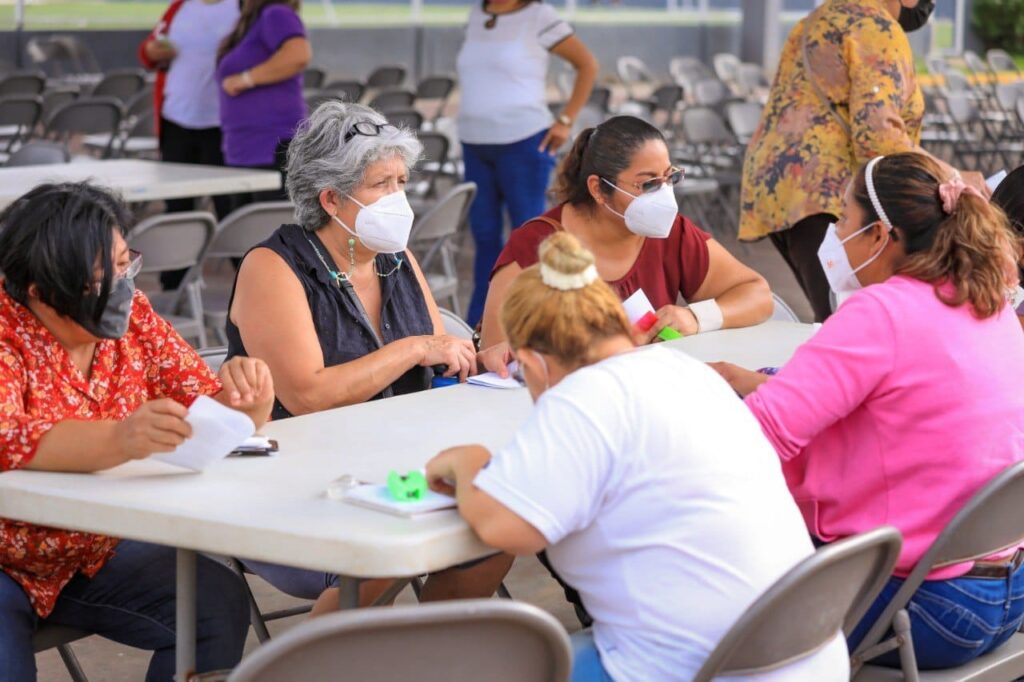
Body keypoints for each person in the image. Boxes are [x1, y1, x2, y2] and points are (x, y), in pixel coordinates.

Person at [426, 231, 849, 681]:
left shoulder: (580, 398)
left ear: (529, 362)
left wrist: (467, 461)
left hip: (704, 669)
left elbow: (505, 528)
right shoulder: (688, 372)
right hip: (808, 655)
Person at [714, 152, 1024, 669]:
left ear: (880, 235)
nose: (836, 233)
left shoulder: (880, 312)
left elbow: (757, 439)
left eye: (843, 217)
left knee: (703, 595)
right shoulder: (989, 303)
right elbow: (905, 401)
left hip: (923, 611)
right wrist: (771, 382)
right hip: (1006, 595)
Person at [227, 101, 509, 613]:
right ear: (332, 199)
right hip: (293, 484)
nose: (399, 198)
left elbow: (437, 360)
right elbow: (308, 396)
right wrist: (415, 348)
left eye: (402, 182)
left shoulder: (395, 257)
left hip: (392, 464)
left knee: (500, 522)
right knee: (386, 549)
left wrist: (481, 360)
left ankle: (436, 645)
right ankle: (327, 651)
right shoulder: (272, 267)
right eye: (382, 184)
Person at [0, 183, 275, 681]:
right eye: (100, 279)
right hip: (7, 557)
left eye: (126, 265)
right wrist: (119, 440)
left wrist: (246, 404)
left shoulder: (135, 318)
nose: (122, 286)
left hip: (90, 546)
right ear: (40, 291)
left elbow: (202, 403)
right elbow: (7, 435)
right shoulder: (6, 332)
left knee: (214, 606)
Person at [739, 0, 987, 323]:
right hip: (827, 195)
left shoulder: (818, 19)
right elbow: (878, 136)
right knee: (852, 322)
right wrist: (953, 176)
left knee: (835, 315)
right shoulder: (878, 28)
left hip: (779, 188)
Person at [478, 115, 772, 373]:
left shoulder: (670, 233)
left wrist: (696, 317)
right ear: (598, 189)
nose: (664, 194)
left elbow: (757, 294)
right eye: (648, 184)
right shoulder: (535, 246)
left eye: (669, 177)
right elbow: (493, 358)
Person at [456, 0, 598, 325]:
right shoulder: (477, 15)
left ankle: (538, 322)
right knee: (485, 238)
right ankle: (482, 325)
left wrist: (565, 119)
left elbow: (588, 65)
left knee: (531, 239)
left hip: (523, 142)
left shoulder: (540, 16)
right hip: (474, 143)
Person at [139, 0, 241, 290]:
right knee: (177, 206)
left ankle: (251, 281)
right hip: (176, 120)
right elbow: (149, 49)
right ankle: (174, 285)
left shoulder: (242, 8)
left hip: (222, 124)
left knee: (230, 206)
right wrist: (151, 52)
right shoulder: (180, 7)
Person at [216, 0, 311, 209]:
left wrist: (246, 79)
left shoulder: (276, 13)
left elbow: (298, 54)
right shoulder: (253, 22)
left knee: (268, 223)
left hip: (271, 146)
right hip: (246, 149)